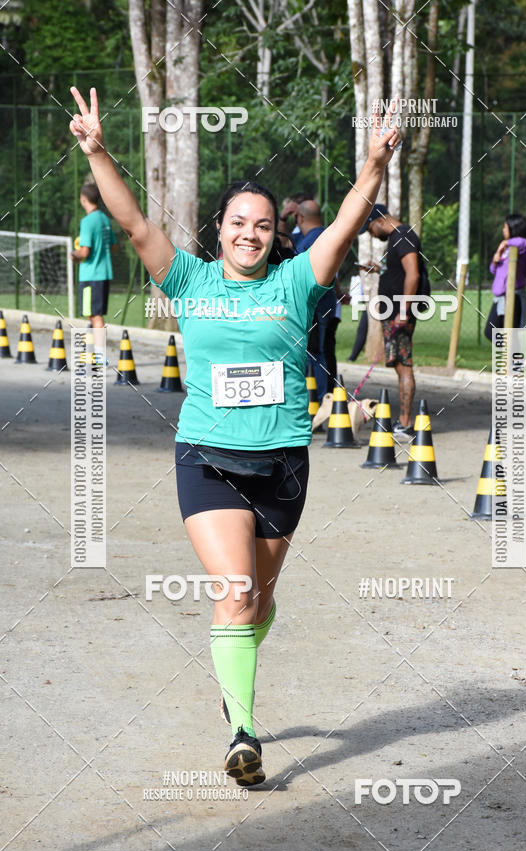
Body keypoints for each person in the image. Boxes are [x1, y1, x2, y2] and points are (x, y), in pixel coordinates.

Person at [69, 86, 402, 785]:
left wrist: (372, 164)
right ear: (217, 228)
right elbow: (133, 224)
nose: (249, 233)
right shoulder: (187, 279)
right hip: (208, 459)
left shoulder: (294, 283)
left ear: (272, 234)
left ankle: (234, 669)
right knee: (235, 589)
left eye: (260, 225)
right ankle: (242, 730)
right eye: (237, 222)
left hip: (282, 462)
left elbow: (343, 225)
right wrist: (98, 152)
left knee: (261, 600)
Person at [360, 204, 430, 439]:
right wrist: (380, 270)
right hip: (393, 311)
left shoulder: (403, 236)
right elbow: (401, 272)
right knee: (399, 365)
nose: (371, 234)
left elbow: (413, 274)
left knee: (403, 364)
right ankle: (404, 420)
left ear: (379, 221)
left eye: (370, 229)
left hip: (399, 313)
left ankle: (406, 422)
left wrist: (403, 310)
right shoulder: (397, 238)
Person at [295, 199, 339, 400]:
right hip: (327, 302)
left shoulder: (306, 243)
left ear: (300, 217)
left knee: (313, 353)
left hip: (313, 305)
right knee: (319, 351)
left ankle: (318, 399)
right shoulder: (328, 236)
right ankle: (320, 397)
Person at [71, 181, 117, 362]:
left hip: (91, 275)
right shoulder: (105, 219)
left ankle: (100, 355)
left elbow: (85, 251)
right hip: (104, 273)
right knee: (95, 314)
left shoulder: (87, 221)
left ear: (83, 199)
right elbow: (113, 247)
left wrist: (74, 255)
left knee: (95, 315)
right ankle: (97, 351)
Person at [485, 212, 526, 341]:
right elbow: (493, 270)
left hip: (514, 295)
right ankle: (513, 358)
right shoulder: (506, 248)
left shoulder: (523, 245)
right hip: (500, 298)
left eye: (505, 227)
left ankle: (515, 359)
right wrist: (496, 257)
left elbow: (522, 242)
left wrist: (505, 243)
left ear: (514, 228)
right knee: (490, 332)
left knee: (511, 335)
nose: (503, 230)